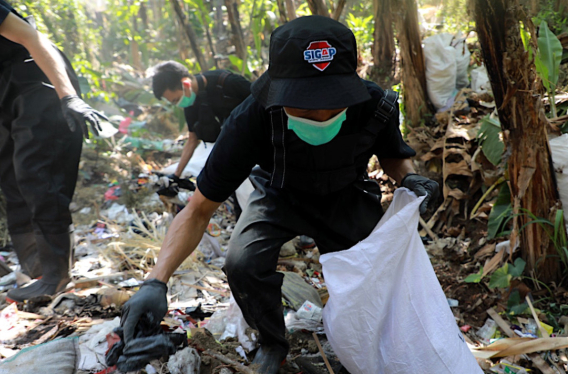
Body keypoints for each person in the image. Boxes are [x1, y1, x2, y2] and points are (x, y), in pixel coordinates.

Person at [120, 16, 439, 373]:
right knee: (242, 263)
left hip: (346, 194)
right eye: (303, 106)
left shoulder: (374, 105)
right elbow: (197, 209)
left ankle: (367, 339)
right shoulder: (251, 120)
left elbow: (394, 156)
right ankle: (273, 342)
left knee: (378, 267)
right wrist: (156, 282)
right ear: (277, 94)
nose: (319, 116)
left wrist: (410, 180)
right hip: (277, 195)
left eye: (332, 105)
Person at [0, 0, 107, 302]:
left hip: (38, 75)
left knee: (37, 175)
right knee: (12, 176)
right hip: (5, 82)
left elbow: (31, 36)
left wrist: (68, 97)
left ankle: (55, 275)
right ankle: (37, 264)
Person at [151, 61, 251, 179]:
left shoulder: (226, 82)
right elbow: (192, 140)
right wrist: (176, 175)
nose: (178, 104)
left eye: (176, 99)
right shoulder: (190, 102)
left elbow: (264, 102)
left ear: (185, 84)